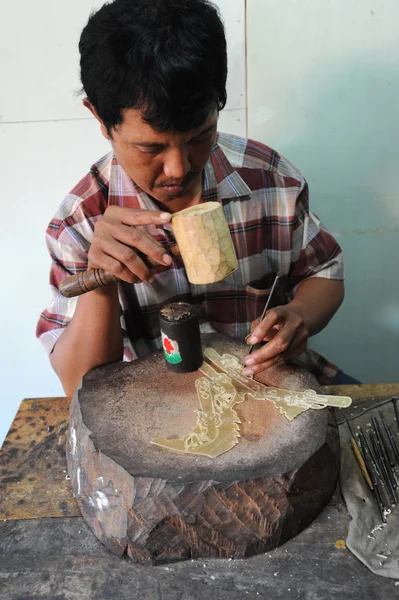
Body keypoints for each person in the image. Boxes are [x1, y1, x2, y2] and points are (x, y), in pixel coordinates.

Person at [37, 0, 349, 399]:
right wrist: (101, 280)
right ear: (99, 117)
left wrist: (300, 317)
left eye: (200, 137)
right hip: (159, 404)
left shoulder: (271, 180)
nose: (179, 169)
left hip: (270, 385)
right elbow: (79, 384)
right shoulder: (80, 221)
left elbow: (324, 271)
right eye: (150, 148)